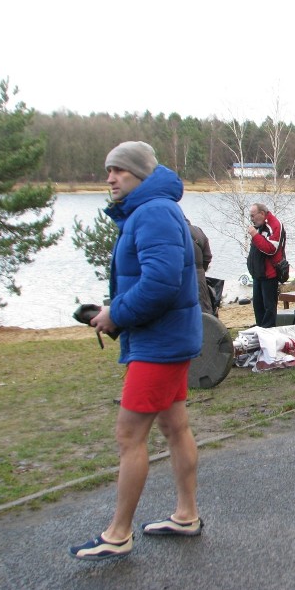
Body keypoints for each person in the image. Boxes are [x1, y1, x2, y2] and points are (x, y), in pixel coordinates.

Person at [71, 141, 203, 560]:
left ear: (141, 175)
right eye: (108, 171)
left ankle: (118, 534)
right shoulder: (151, 210)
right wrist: (115, 311)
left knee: (130, 435)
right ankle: (186, 515)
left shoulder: (152, 212)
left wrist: (116, 315)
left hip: (159, 344)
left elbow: (161, 283)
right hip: (165, 338)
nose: (110, 178)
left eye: (119, 172)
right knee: (175, 427)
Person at [247, 203, 286, 328]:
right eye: (250, 216)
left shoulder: (275, 225)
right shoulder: (260, 225)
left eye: (253, 216)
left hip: (269, 274)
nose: (251, 219)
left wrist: (255, 235)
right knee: (257, 306)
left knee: (269, 308)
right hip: (258, 274)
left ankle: (268, 333)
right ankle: (260, 331)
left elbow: (271, 249)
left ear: (262, 214)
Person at [187, 219, 214, 315]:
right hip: (200, 278)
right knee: (205, 312)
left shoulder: (171, 233)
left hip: (182, 280)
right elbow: (207, 256)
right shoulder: (197, 230)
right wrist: (201, 270)